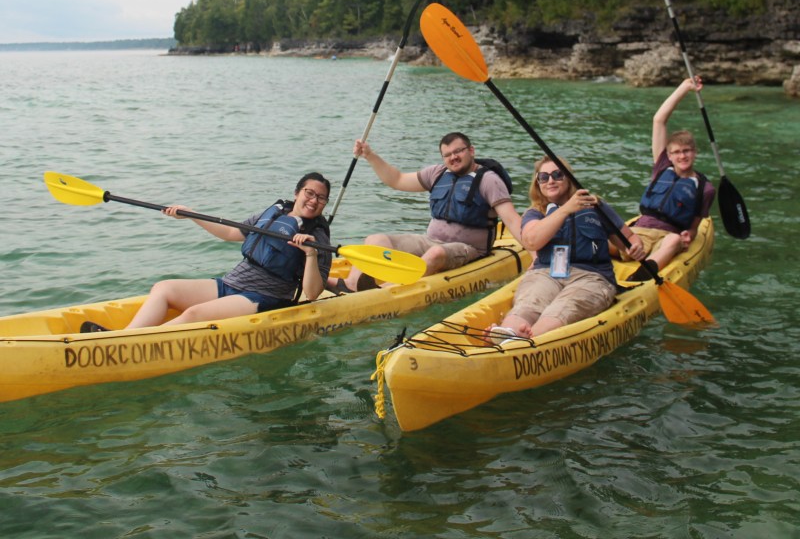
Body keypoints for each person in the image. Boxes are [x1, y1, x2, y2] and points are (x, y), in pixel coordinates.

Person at [80, 173, 333, 332]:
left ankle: (128, 344)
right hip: (232, 283)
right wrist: (189, 214)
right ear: (297, 193)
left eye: (321, 198)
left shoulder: (317, 236)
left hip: (264, 296)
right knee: (164, 288)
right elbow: (231, 234)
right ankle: (125, 337)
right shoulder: (273, 213)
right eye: (309, 193)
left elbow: (312, 293)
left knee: (194, 314)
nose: (313, 200)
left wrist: (309, 254)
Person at [486, 156, 646, 343]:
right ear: (538, 183)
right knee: (528, 305)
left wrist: (636, 247)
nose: (550, 181)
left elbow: (629, 239)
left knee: (563, 308)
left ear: (568, 178)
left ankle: (528, 339)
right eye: (544, 177)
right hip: (546, 273)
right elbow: (531, 241)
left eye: (557, 174)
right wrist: (565, 210)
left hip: (591, 277)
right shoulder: (535, 213)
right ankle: (507, 332)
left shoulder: (595, 206)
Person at [335, 132, 522, 292]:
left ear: (471, 151)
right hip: (430, 241)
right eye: (447, 154)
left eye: (458, 151)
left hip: (469, 249)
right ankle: (351, 285)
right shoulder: (438, 173)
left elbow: (512, 220)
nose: (453, 157)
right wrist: (370, 155)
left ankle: (386, 290)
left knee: (436, 253)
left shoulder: (489, 180)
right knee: (375, 240)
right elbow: (397, 179)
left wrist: (536, 255)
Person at [612, 77, 716, 272]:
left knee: (674, 240)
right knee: (603, 230)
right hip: (638, 234)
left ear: (695, 153)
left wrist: (689, 235)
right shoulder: (662, 167)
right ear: (669, 155)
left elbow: (694, 227)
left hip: (667, 237)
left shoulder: (705, 188)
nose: (682, 156)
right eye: (676, 152)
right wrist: (685, 87)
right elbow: (659, 120)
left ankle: (644, 275)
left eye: (686, 151)